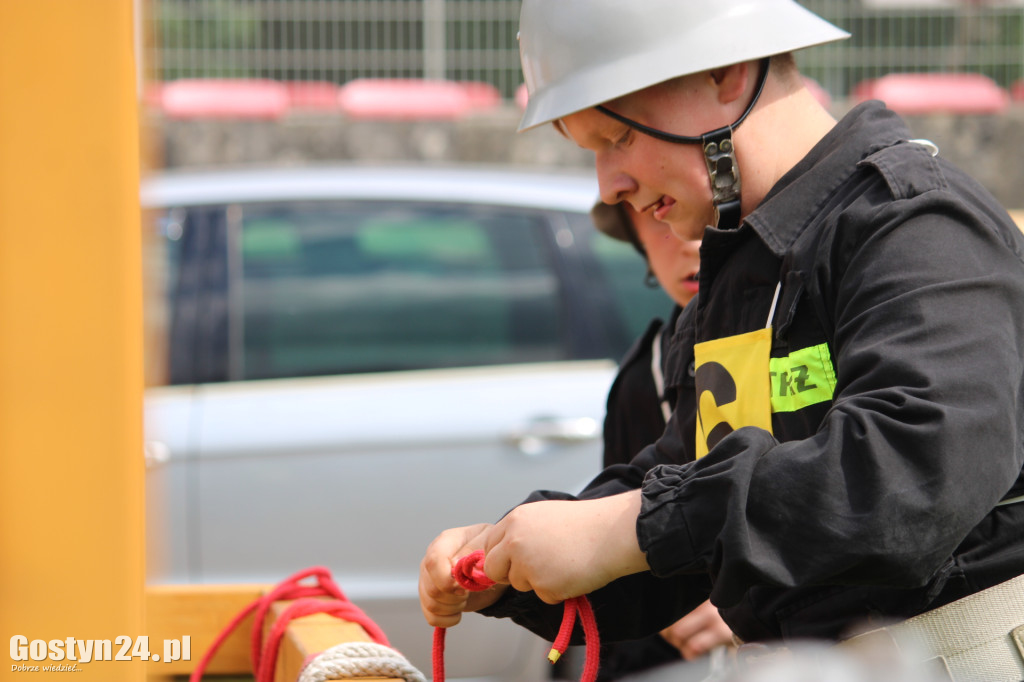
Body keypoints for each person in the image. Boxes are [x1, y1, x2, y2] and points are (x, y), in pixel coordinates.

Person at [420, 0, 1024, 673]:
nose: (610, 186)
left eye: (615, 139)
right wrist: (511, 559)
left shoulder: (913, 224)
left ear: (726, 72)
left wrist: (629, 528)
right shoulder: (742, 273)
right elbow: (686, 509)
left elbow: (912, 476)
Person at [589, 201, 734, 678]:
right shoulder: (639, 382)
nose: (693, 243)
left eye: (713, 216)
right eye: (659, 220)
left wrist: (753, 602)